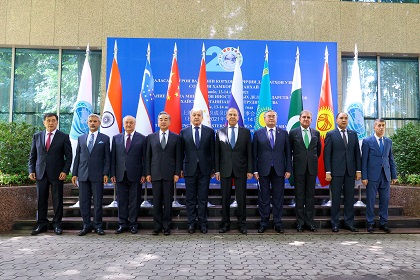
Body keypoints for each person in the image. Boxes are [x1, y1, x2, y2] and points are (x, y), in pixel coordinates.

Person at [28, 113, 72, 235]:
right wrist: (31, 170)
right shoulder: (37, 136)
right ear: (44, 122)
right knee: (41, 199)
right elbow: (33, 156)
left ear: (57, 122)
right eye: (48, 120)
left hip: (57, 174)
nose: (51, 123)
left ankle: (57, 224)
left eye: (53, 120)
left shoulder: (63, 137)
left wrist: (65, 171)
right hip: (40, 173)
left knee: (57, 200)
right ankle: (41, 224)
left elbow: (69, 157)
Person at [253, 110, 292, 234]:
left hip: (279, 170)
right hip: (263, 170)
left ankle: (277, 222)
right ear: (264, 119)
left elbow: (288, 153)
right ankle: (264, 222)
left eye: (273, 116)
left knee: (278, 197)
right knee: (263, 197)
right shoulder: (258, 133)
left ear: (276, 118)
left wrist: (288, 169)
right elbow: (254, 154)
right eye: (269, 116)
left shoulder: (283, 133)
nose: (271, 118)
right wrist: (254, 170)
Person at [215, 107, 253, 234]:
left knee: (241, 198)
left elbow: (249, 152)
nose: (232, 117)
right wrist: (217, 170)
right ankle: (225, 223)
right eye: (230, 114)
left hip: (241, 169)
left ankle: (242, 224)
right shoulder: (219, 132)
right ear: (226, 117)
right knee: (225, 198)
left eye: (234, 115)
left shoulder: (246, 132)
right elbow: (217, 154)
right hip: (224, 169)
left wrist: (250, 170)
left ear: (238, 117)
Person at [72, 114, 110, 236]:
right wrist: (74, 173)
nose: (92, 123)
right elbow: (78, 156)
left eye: (95, 121)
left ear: (99, 123)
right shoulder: (81, 138)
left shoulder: (104, 138)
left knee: (98, 202)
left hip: (98, 175)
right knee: (84, 202)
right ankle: (86, 225)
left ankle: (98, 226)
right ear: (87, 123)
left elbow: (107, 158)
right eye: (90, 121)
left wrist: (105, 173)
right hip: (83, 174)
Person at [146, 111, 182, 236]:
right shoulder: (151, 137)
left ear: (169, 122)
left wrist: (177, 172)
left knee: (167, 201)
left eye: (166, 119)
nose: (163, 121)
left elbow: (178, 157)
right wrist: (147, 173)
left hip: (169, 174)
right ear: (158, 121)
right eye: (161, 119)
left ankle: (167, 226)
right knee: (156, 201)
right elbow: (148, 157)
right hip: (155, 173)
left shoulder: (176, 137)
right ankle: (157, 226)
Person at [324, 112, 361, 233]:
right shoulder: (330, 134)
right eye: (341, 118)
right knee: (336, 199)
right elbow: (327, 155)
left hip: (350, 172)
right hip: (336, 172)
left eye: (345, 118)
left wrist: (358, 170)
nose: (344, 120)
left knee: (349, 198)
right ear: (336, 120)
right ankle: (335, 223)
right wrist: (328, 171)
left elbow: (357, 154)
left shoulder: (353, 134)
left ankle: (349, 223)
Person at [180, 108, 215, 234]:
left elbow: (213, 152)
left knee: (203, 198)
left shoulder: (209, 132)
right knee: (190, 198)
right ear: (190, 117)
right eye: (194, 115)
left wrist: (213, 168)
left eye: (198, 115)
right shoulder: (184, 132)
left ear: (202, 117)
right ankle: (191, 224)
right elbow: (180, 152)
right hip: (189, 169)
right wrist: (180, 169)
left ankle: (203, 223)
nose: (196, 117)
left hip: (205, 170)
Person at [111, 115, 146, 234]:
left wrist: (144, 173)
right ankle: (122, 224)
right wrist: (113, 173)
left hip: (136, 174)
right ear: (123, 124)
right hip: (120, 174)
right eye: (126, 123)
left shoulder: (142, 138)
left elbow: (145, 159)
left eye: (131, 123)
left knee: (135, 200)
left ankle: (133, 224)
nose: (129, 125)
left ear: (135, 124)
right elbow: (113, 158)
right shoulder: (116, 138)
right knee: (122, 200)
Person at [362, 118, 397, 233]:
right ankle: (370, 223)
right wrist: (364, 177)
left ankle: (383, 223)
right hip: (372, 176)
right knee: (371, 201)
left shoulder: (388, 141)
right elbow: (364, 161)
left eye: (383, 125)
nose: (381, 128)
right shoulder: (367, 141)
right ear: (374, 127)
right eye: (379, 125)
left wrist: (394, 175)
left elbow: (391, 159)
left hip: (385, 176)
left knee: (385, 200)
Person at [289, 110, 321, 232]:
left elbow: (318, 151)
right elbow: (289, 150)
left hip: (312, 169)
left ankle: (309, 222)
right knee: (299, 196)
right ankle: (300, 222)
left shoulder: (316, 133)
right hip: (298, 169)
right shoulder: (293, 133)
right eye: (304, 117)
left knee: (310, 197)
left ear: (311, 120)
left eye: (308, 117)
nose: (306, 119)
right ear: (300, 119)